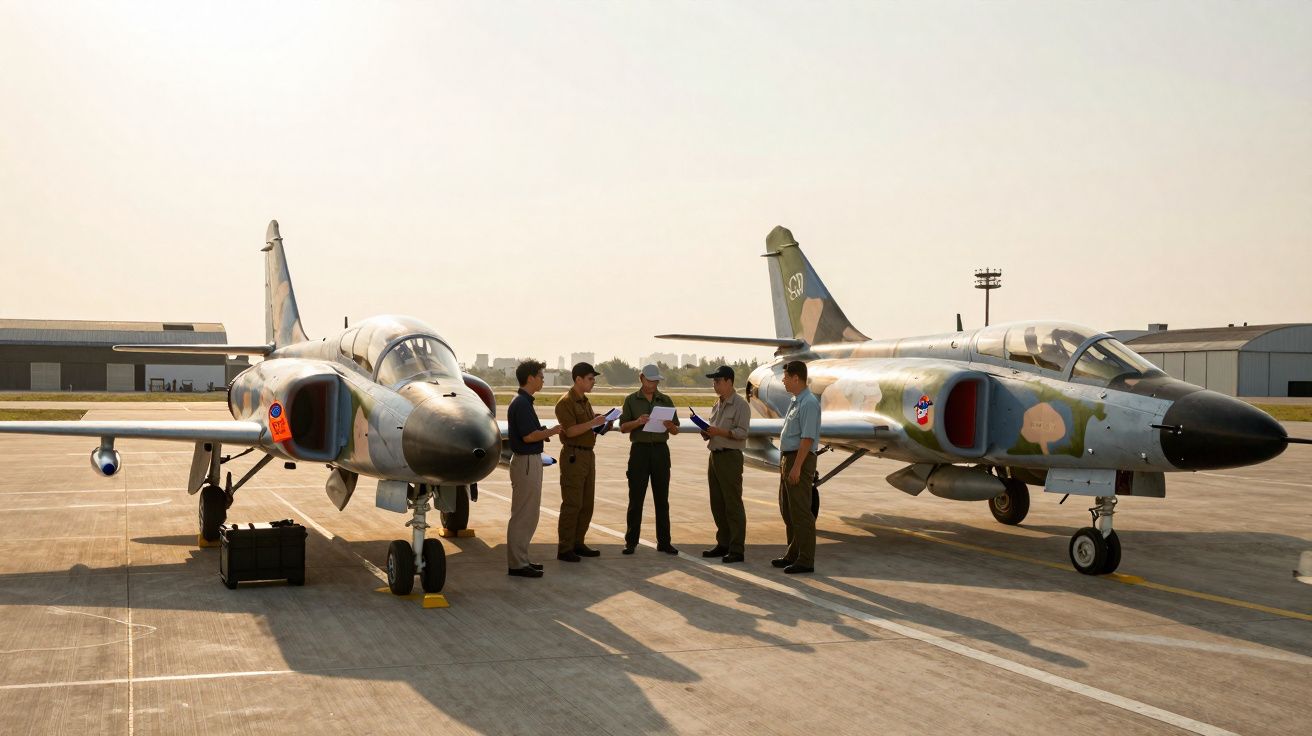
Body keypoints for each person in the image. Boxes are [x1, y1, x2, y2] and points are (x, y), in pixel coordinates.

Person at [505, 360, 562, 578]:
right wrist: (552, 431)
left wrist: (542, 432)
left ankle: (521, 559)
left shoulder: (523, 402)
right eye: (541, 376)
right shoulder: (521, 403)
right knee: (523, 514)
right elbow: (529, 437)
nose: (543, 380)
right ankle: (517, 564)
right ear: (530, 378)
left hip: (528, 461)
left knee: (528, 514)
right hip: (526, 462)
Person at [554, 362, 614, 562]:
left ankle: (578, 543)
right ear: (578, 379)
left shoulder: (584, 401)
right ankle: (565, 548)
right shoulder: (565, 402)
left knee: (587, 503)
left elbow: (588, 428)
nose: (593, 381)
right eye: (590, 378)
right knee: (572, 503)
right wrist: (593, 422)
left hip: (588, 455)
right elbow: (570, 431)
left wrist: (603, 424)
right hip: (574, 455)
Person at [618, 364, 680, 555]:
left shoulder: (666, 400)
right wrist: (638, 422)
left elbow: (676, 430)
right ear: (641, 378)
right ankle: (631, 542)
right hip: (640, 451)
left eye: (656, 381)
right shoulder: (631, 400)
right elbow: (623, 427)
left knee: (662, 500)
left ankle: (664, 542)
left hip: (661, 452)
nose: (653, 384)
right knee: (636, 499)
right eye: (650, 380)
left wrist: (670, 426)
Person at [698, 365, 749, 563]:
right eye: (714, 381)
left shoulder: (740, 405)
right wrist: (707, 433)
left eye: (718, 381)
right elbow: (715, 430)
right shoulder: (717, 404)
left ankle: (737, 549)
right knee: (717, 503)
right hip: (715, 456)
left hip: (730, 457)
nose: (715, 384)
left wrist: (719, 432)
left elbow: (742, 433)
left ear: (729, 382)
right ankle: (723, 543)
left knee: (733, 504)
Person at [773, 360, 820, 574]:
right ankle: (792, 554)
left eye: (785, 377)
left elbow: (807, 439)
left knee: (801, 512)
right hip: (788, 458)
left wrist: (797, 467)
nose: (783, 381)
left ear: (796, 378)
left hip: (799, 459)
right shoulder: (796, 400)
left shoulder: (809, 403)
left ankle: (806, 560)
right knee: (788, 510)